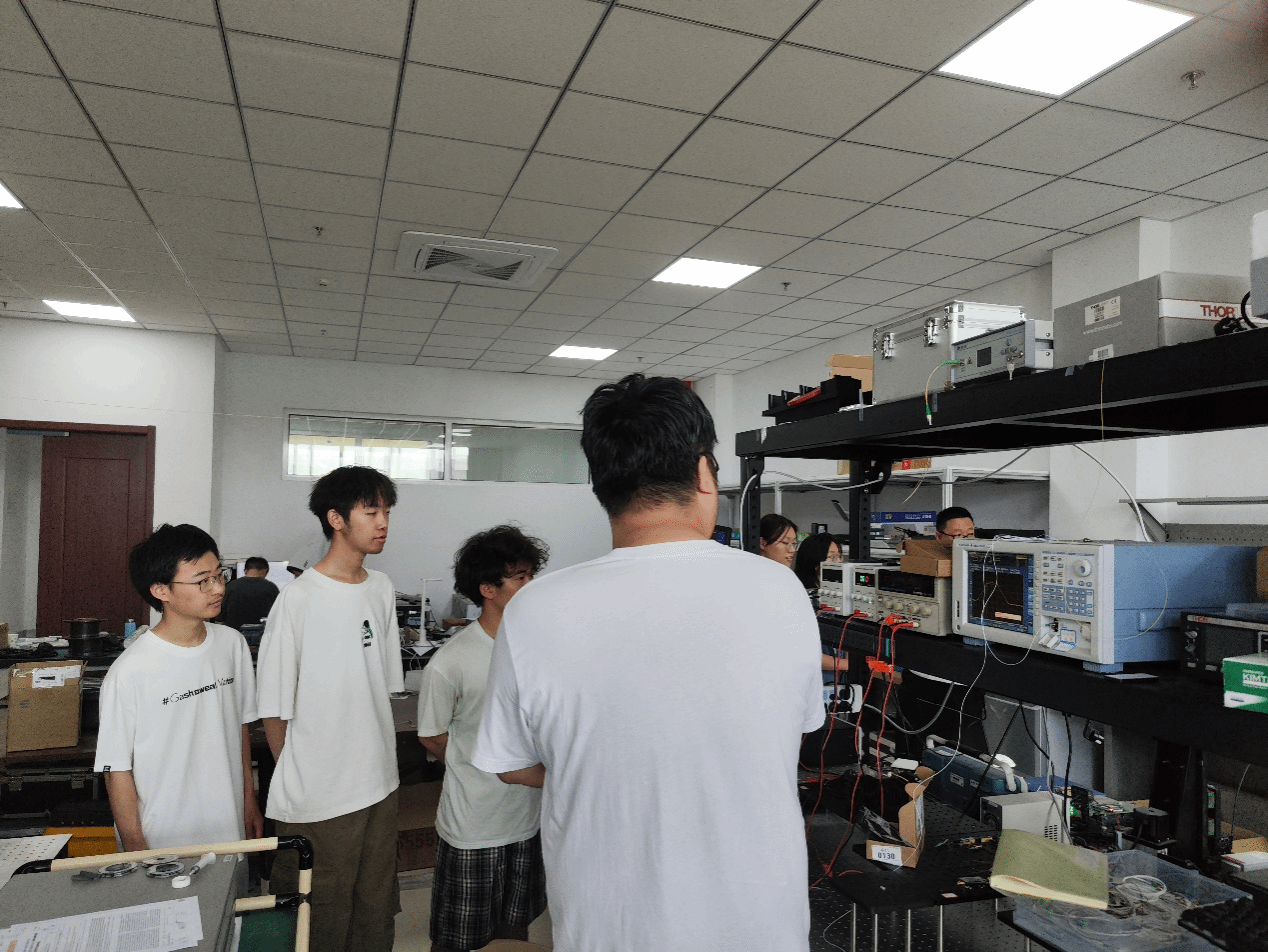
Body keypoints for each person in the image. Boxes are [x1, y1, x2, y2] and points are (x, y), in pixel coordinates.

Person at [472, 374, 824, 952]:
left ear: (601, 484)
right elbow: (793, 733)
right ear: (704, 471)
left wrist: (606, 772)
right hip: (759, 925)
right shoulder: (779, 590)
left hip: (608, 928)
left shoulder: (534, 609)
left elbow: (510, 765)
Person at [256, 466, 403, 952]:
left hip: (378, 782)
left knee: (374, 911)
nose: (383, 522)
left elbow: (380, 686)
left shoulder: (381, 588)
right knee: (317, 919)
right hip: (319, 795)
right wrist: (302, 777)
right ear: (336, 519)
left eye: (387, 511)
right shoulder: (297, 600)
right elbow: (273, 707)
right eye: (371, 511)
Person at [417, 526, 550, 952]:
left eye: (532, 575)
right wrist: (481, 765)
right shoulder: (451, 661)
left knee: (515, 934)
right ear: (488, 589)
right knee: (458, 940)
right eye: (520, 577)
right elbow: (433, 736)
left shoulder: (537, 648)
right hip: (474, 827)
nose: (531, 585)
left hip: (528, 820)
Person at [96, 524, 261, 851]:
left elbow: (239, 729)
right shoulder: (130, 671)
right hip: (163, 840)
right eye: (203, 581)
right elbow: (116, 770)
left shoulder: (232, 645)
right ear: (161, 590)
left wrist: (248, 801)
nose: (218, 588)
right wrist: (136, 850)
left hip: (228, 829)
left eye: (220, 575)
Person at [219, 556, 280, 630]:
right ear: (264, 571)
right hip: (262, 632)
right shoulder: (272, 588)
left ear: (245, 571)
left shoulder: (230, 586)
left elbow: (220, 615)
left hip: (234, 632)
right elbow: (278, 614)